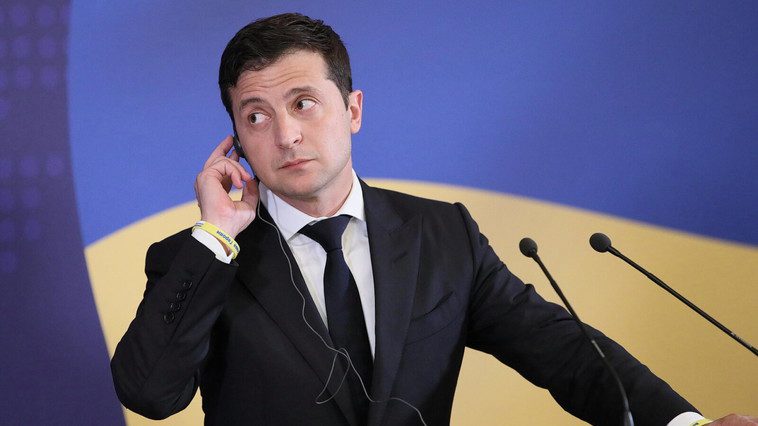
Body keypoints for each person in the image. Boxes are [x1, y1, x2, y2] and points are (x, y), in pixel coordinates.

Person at [110, 13, 756, 426]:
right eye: (256, 116)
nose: (286, 134)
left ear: (353, 109)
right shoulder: (200, 257)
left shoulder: (443, 235)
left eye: (304, 103)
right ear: (235, 142)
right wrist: (217, 234)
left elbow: (564, 352)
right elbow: (150, 394)